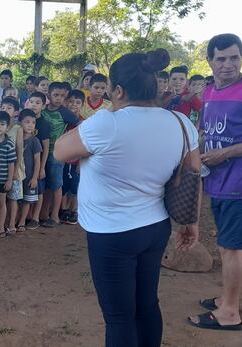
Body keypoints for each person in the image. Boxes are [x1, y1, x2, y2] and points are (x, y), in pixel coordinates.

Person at [54, 48, 201, 347]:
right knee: (147, 305)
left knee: (119, 317)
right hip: (156, 227)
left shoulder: (107, 123)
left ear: (117, 90)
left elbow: (60, 150)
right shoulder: (180, 123)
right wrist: (191, 222)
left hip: (112, 233)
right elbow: (193, 174)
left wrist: (111, 110)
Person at [189, 34, 242, 331]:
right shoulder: (211, 91)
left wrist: (227, 152)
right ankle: (226, 297)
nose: (228, 64)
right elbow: (205, 131)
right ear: (210, 60)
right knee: (226, 245)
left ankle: (229, 313)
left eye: (234, 57)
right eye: (221, 58)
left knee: (233, 247)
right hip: (218, 180)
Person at [38, 83, 80, 228]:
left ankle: (55, 216)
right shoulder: (43, 110)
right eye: (56, 95)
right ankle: (44, 213)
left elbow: (80, 125)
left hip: (56, 153)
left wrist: (69, 141)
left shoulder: (65, 113)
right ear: (49, 95)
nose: (59, 98)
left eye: (62, 96)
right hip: (41, 152)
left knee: (56, 184)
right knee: (46, 184)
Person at [0, 111, 18, 239]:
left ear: (7, 127)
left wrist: (9, 180)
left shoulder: (9, 144)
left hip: (2, 179)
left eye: (2, 124)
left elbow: (11, 163)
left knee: (1, 203)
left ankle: (1, 227)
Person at [25, 92, 50, 230]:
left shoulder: (44, 124)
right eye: (32, 102)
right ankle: (27, 216)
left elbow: (46, 148)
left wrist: (42, 167)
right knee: (28, 190)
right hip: (26, 162)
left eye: (38, 102)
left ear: (43, 105)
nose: (34, 105)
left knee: (39, 190)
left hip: (38, 162)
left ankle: (35, 217)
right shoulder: (24, 119)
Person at [0, 97, 25, 235]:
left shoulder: (17, 128)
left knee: (13, 197)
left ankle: (11, 224)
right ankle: (0, 222)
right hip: (0, 168)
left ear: (16, 112)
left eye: (9, 108)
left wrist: (15, 170)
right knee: (0, 196)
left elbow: (19, 150)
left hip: (15, 168)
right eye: (3, 107)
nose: (5, 110)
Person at [60, 90, 85, 225]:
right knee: (64, 185)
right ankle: (64, 209)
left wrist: (81, 163)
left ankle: (73, 209)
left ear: (82, 104)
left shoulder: (83, 122)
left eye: (77, 102)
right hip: (63, 160)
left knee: (75, 187)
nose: (73, 105)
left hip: (76, 161)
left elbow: (84, 145)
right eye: (70, 101)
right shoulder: (63, 121)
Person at [17, 110, 41, 232]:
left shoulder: (34, 141)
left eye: (33, 122)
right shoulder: (16, 138)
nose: (30, 125)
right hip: (17, 175)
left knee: (27, 200)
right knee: (16, 199)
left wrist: (34, 177)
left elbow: (37, 161)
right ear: (19, 123)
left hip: (29, 176)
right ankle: (14, 220)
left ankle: (22, 222)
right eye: (27, 122)